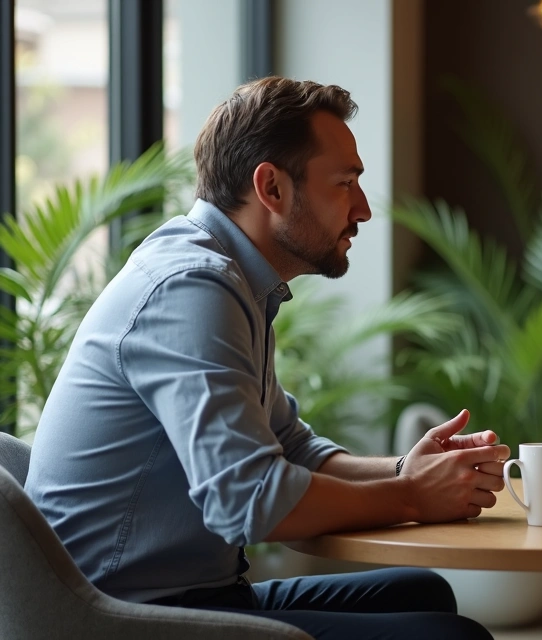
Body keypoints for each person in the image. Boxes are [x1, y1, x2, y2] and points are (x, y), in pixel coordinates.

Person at [25, 77, 500, 639]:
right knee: (452, 638)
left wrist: (405, 470)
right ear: (271, 188)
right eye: (345, 183)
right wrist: (410, 495)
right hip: (120, 618)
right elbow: (250, 500)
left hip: (185, 595)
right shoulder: (192, 288)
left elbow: (291, 447)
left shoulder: (233, 279)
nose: (365, 209)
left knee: (425, 592)